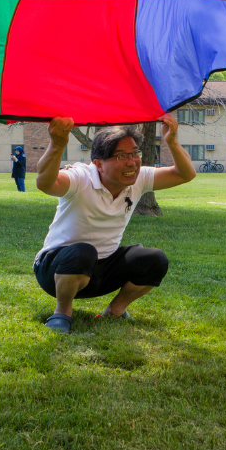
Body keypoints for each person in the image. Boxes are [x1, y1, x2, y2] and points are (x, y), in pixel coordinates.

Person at [34, 115, 196, 333]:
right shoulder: (80, 178)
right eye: (121, 156)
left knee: (154, 260)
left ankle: (116, 310)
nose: (132, 162)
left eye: (134, 153)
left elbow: (185, 174)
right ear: (99, 164)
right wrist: (57, 145)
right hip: (55, 269)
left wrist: (172, 141)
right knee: (83, 252)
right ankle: (62, 312)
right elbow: (46, 183)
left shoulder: (139, 177)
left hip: (100, 270)